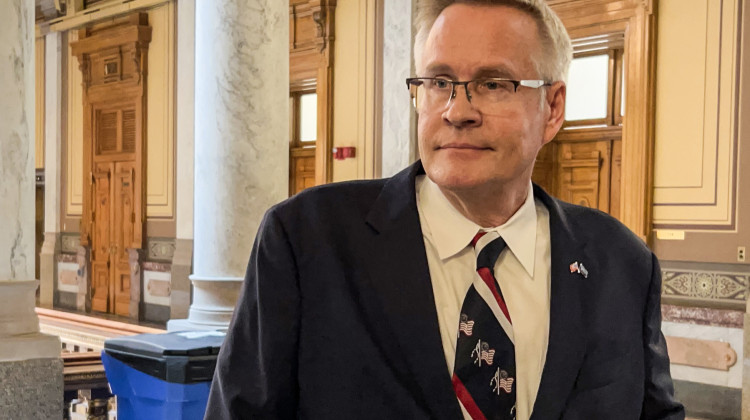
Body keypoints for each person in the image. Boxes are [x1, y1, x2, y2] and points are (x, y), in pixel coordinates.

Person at [205, 0, 685, 419]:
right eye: (439, 82)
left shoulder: (622, 264)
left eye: (494, 84)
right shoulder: (307, 240)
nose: (457, 110)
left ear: (553, 107)